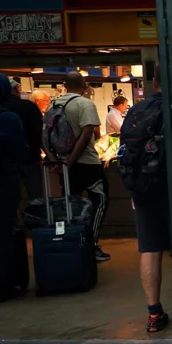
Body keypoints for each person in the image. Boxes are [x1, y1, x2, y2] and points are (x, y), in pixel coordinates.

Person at [118, 67, 171, 332]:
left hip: (144, 188)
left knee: (149, 249)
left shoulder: (137, 110)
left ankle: (154, 313)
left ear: (153, 82)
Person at [50, 71, 111, 262]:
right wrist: (72, 160)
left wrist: (57, 160)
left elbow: (44, 134)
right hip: (87, 163)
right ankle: (91, 246)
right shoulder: (85, 104)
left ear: (65, 85)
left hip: (65, 165)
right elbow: (88, 134)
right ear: (84, 84)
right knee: (100, 201)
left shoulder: (54, 104)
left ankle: (74, 246)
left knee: (72, 207)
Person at [0, 74, 29, 302]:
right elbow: (21, 153)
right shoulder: (8, 119)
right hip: (4, 183)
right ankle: (4, 285)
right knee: (3, 234)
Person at [4, 78, 43, 200]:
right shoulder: (29, 107)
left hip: (7, 163)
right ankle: (35, 217)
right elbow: (40, 133)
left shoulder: (2, 109)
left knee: (11, 198)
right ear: (16, 89)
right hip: (31, 160)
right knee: (36, 198)